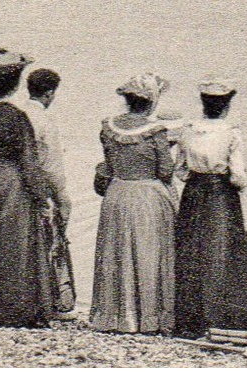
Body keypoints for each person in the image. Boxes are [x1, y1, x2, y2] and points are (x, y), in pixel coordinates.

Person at [0, 49, 56, 328]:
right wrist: (43, 198)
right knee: (19, 245)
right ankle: (18, 310)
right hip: (14, 180)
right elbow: (29, 162)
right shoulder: (18, 117)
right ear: (17, 84)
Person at [91, 73, 176, 334]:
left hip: (117, 195)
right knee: (149, 255)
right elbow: (165, 170)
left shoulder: (109, 127)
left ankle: (116, 316)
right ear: (151, 102)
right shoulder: (155, 131)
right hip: (147, 197)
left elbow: (110, 164)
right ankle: (149, 317)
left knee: (117, 254)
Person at [174, 80, 247, 339]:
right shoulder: (232, 131)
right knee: (223, 251)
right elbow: (238, 175)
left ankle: (190, 320)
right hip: (221, 194)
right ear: (227, 104)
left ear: (203, 103)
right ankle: (224, 318)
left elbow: (181, 170)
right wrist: (237, 183)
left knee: (192, 251)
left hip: (193, 193)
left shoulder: (188, 130)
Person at [21, 69, 75, 316]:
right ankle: (53, 299)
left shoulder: (18, 115)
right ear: (50, 93)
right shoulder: (45, 121)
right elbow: (52, 165)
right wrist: (62, 196)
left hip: (17, 185)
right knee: (53, 240)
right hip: (41, 185)